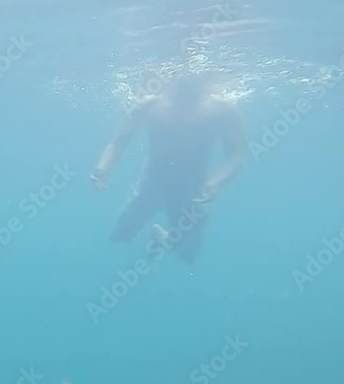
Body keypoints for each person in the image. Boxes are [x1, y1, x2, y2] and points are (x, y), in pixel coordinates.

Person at [90, 73, 245, 263]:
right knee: (119, 236)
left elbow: (236, 155)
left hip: (193, 191)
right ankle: (157, 244)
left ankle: (164, 239)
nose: (183, 101)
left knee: (187, 256)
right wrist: (101, 169)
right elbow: (118, 141)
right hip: (151, 185)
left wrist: (215, 183)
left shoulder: (223, 110)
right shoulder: (149, 107)